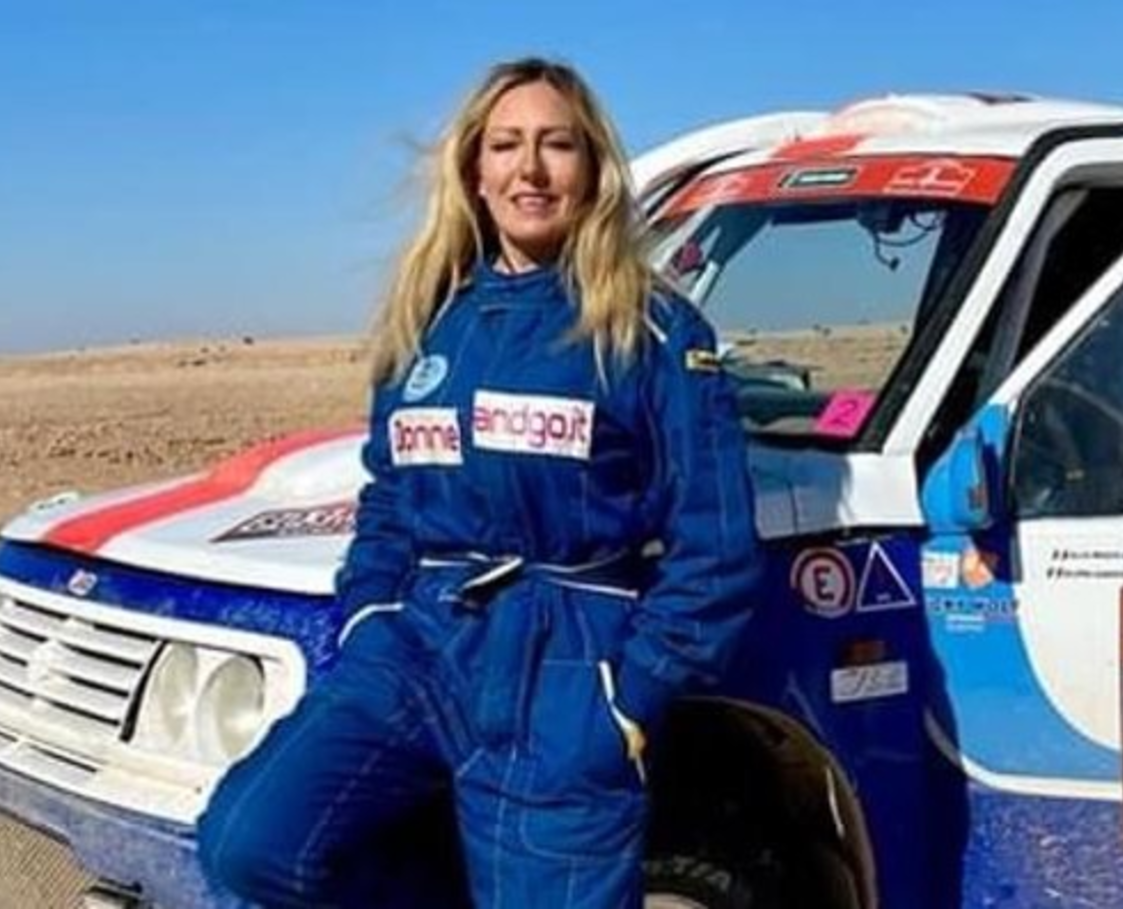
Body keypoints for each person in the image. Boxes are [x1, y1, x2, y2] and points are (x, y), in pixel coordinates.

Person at [195, 58, 761, 908]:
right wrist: (370, 619)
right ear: (474, 171)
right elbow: (390, 497)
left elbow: (714, 548)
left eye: (556, 145)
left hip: (566, 665)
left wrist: (626, 698)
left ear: (594, 169)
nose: (530, 169)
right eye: (505, 145)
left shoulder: (652, 330)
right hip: (419, 645)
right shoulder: (431, 321)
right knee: (251, 841)